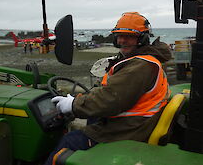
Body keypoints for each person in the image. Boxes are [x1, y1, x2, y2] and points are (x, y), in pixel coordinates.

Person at [44, 12, 172, 165]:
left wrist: (73, 105)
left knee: (70, 141)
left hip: (126, 131)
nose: (122, 40)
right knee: (90, 118)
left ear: (142, 39)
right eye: (119, 35)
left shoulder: (141, 65)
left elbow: (110, 100)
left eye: (129, 36)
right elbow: (113, 93)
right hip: (135, 124)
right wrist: (80, 101)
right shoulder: (141, 60)